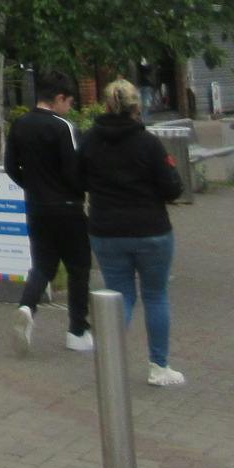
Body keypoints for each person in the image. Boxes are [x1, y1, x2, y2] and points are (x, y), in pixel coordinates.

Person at [78, 77, 186, 386]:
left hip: (105, 230)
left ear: (106, 105)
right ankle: (159, 367)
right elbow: (171, 187)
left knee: (120, 296)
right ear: (136, 107)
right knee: (155, 295)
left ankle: (109, 364)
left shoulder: (89, 141)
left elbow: (77, 179)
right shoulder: (148, 143)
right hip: (151, 229)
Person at [4, 78, 93, 357]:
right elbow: (74, 169)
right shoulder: (63, 127)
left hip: (37, 207)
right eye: (69, 102)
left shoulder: (19, 124)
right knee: (79, 267)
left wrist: (32, 186)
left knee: (42, 265)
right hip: (67, 208)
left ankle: (27, 306)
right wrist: (81, 189)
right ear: (59, 98)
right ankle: (77, 331)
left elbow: (10, 166)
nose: (69, 108)